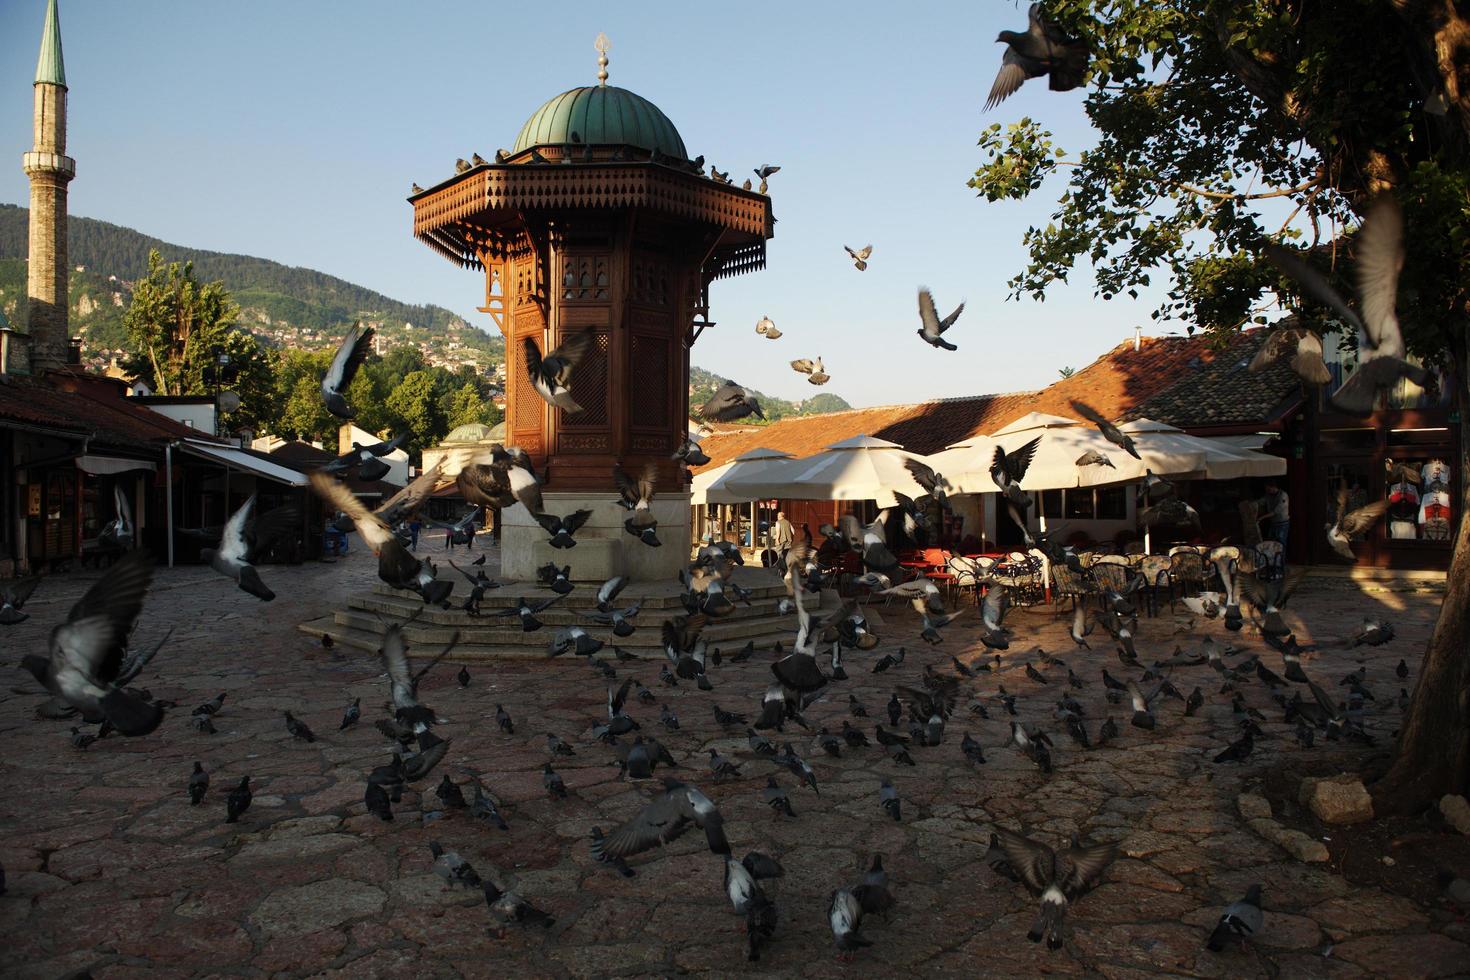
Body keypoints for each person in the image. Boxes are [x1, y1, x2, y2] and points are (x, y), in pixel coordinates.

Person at [1257, 481, 1289, 550]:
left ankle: (1281, 560)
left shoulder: (1283, 495)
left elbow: (1275, 512)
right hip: (1273, 523)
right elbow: (1261, 502)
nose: (1267, 491)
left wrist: (1261, 518)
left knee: (1280, 543)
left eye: (1268, 489)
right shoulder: (1268, 495)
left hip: (1282, 524)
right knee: (1271, 543)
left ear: (1274, 487)